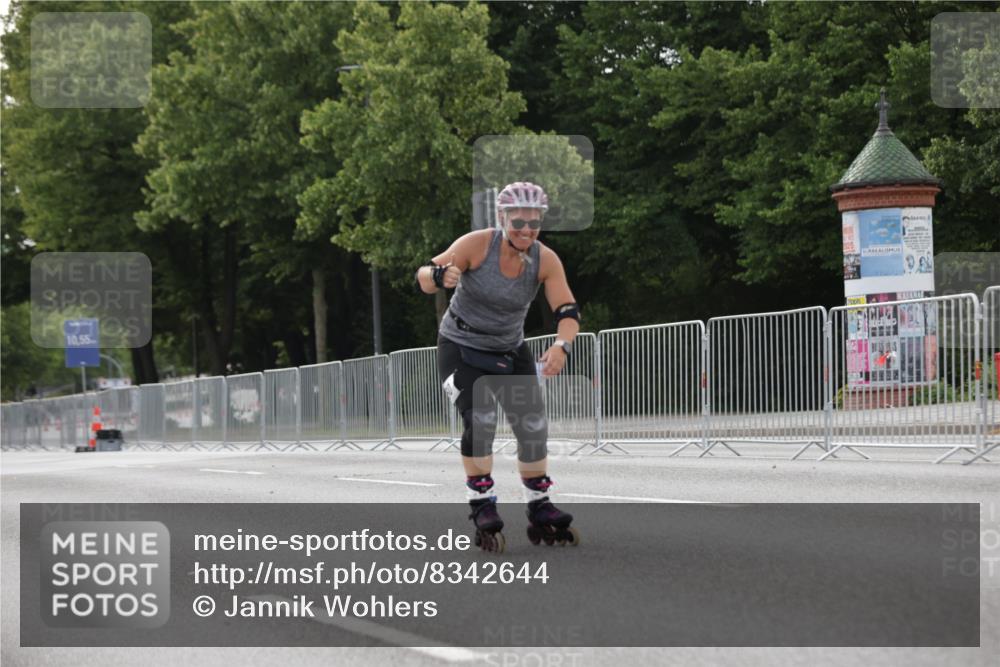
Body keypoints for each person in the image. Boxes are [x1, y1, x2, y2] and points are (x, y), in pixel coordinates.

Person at [415, 182, 581, 552]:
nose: (526, 230)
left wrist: (561, 345)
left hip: (509, 348)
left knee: (532, 425)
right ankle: (481, 502)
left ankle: (539, 504)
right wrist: (439, 277)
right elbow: (424, 275)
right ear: (502, 218)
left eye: (534, 223)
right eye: (518, 222)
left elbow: (567, 310)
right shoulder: (477, 245)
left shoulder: (545, 259)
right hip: (461, 347)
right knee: (481, 419)